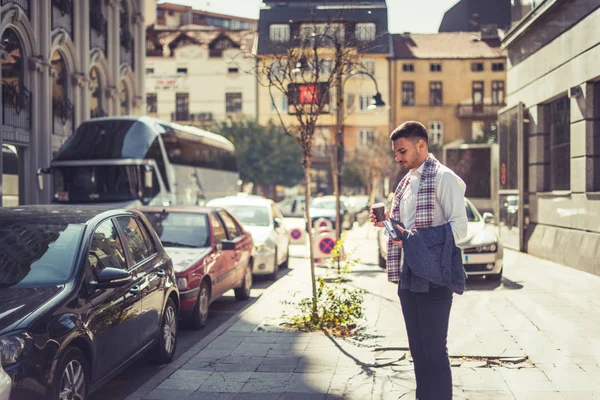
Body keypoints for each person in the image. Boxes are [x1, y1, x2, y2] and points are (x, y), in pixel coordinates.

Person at [370, 121, 468, 400]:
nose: (398, 158)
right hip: (409, 275)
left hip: (436, 277)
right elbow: (406, 227)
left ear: (421, 145)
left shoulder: (444, 178)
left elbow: (460, 230)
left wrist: (412, 238)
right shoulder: (406, 182)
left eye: (402, 151)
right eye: (395, 153)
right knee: (418, 352)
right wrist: (388, 224)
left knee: (435, 351)